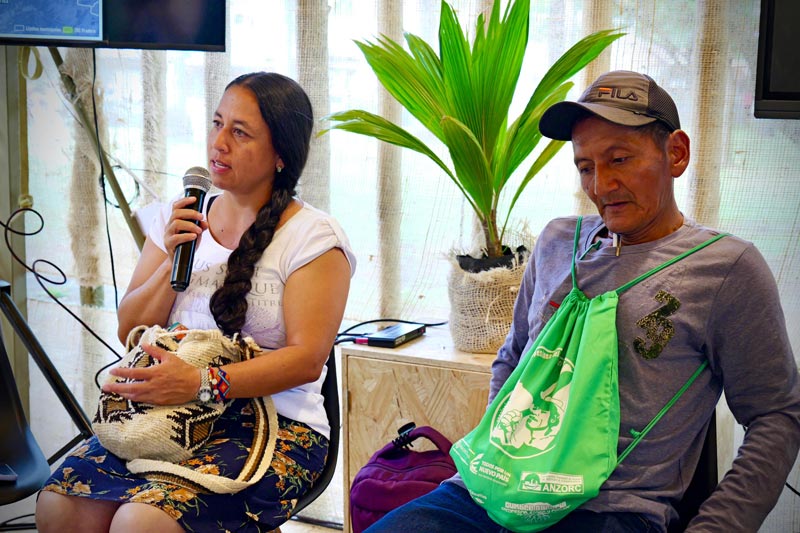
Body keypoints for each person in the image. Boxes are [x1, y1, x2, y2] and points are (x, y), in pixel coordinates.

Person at [365, 70, 800, 532]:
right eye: (586, 167)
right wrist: (500, 453)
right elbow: (512, 359)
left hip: (609, 511)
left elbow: (777, 415)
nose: (601, 185)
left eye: (620, 160)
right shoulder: (557, 242)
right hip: (487, 494)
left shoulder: (725, 270)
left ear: (676, 153)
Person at [35, 72, 356, 532]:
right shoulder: (179, 215)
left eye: (239, 132)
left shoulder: (313, 237)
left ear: (281, 155)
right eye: (217, 123)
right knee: (58, 507)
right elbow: (130, 329)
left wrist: (200, 383)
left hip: (275, 425)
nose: (218, 143)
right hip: (161, 415)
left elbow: (307, 361)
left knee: (141, 523)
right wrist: (173, 258)